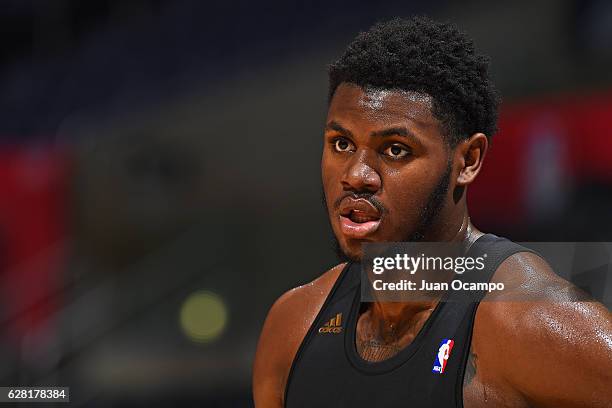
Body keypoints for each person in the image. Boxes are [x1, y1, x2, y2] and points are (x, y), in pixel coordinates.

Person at [253, 16, 612, 407]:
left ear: (468, 160)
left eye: (395, 150)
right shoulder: (294, 325)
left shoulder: (530, 320)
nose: (356, 175)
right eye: (341, 144)